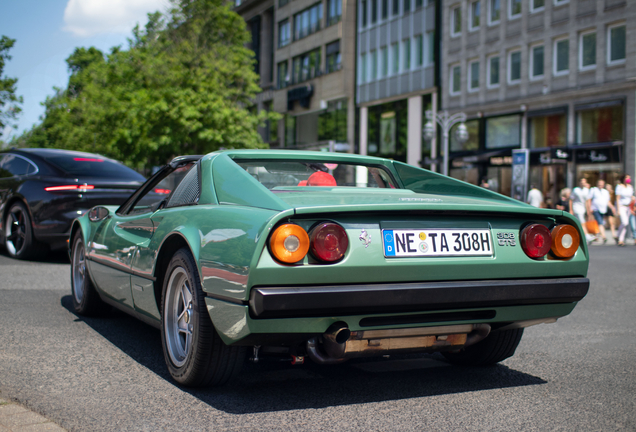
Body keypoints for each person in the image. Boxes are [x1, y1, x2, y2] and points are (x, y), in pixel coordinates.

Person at [587, 179, 615, 244]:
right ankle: (604, 236)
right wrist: (589, 208)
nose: (600, 185)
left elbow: (608, 201)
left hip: (603, 209)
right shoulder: (593, 190)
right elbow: (589, 199)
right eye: (599, 184)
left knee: (600, 222)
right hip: (595, 209)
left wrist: (612, 207)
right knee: (600, 222)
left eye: (602, 184)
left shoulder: (605, 192)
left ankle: (596, 235)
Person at [570, 178, 594, 242]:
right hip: (576, 208)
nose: (583, 183)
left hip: (583, 209)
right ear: (579, 183)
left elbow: (587, 201)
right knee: (582, 222)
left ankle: (578, 236)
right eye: (582, 182)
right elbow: (571, 200)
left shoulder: (586, 190)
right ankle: (586, 235)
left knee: (580, 223)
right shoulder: (576, 190)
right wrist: (571, 209)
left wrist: (588, 210)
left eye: (584, 182)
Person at [615, 174, 634, 246]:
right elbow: (617, 198)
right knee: (624, 222)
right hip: (621, 206)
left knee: (625, 225)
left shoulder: (630, 187)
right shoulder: (619, 187)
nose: (628, 179)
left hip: (628, 207)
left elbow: (631, 196)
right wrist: (618, 209)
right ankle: (618, 236)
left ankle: (620, 239)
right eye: (627, 178)